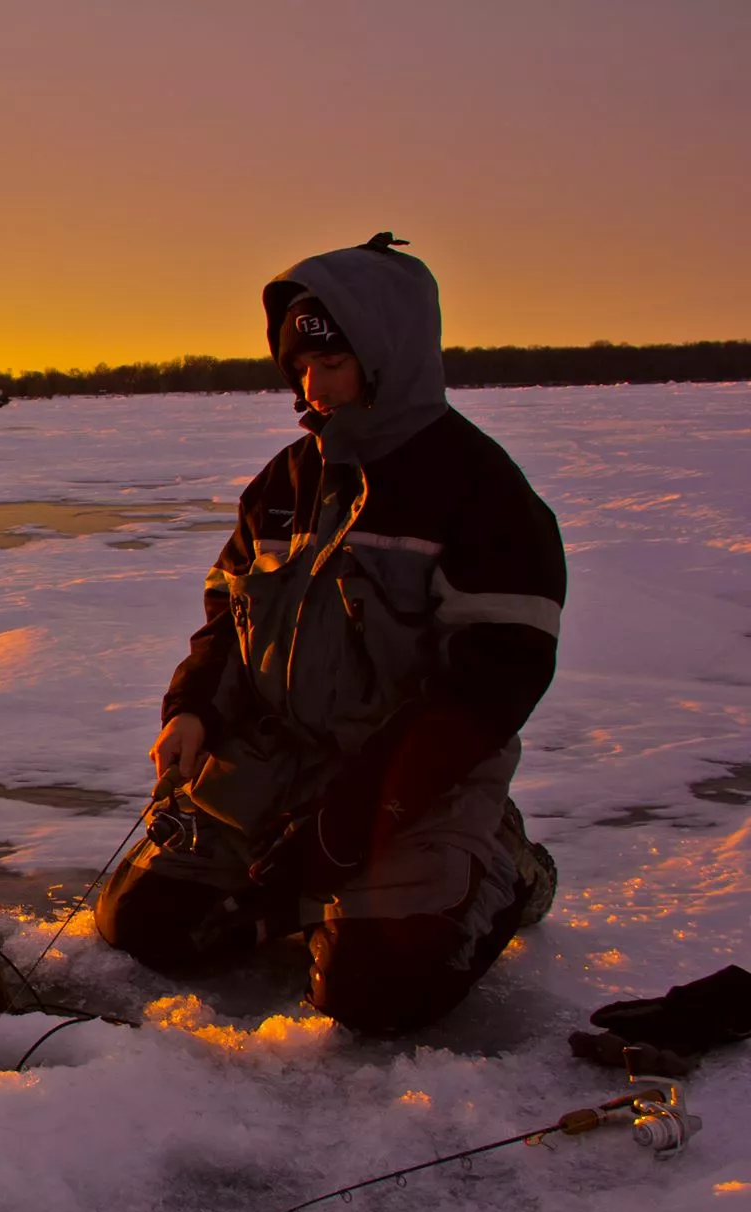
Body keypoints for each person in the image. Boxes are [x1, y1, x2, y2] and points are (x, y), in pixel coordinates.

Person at [94, 232, 566, 1034]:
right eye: (300, 366)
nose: (312, 387)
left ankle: (504, 865)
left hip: (414, 775)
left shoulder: (481, 492)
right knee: (143, 923)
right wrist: (193, 709)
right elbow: (227, 620)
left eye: (332, 363)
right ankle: (298, 893)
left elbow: (488, 688)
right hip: (277, 758)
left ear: (387, 359)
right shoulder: (283, 485)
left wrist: (344, 826)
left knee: (372, 993)